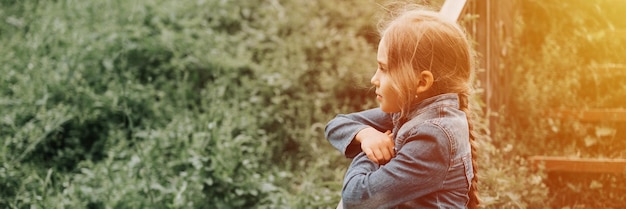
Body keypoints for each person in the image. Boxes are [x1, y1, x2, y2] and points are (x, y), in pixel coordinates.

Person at [325, 6, 479, 209]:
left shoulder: (434, 136)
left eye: (384, 69)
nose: (374, 79)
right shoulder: (414, 110)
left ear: (422, 82)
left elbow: (357, 196)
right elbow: (336, 124)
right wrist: (367, 135)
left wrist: (371, 153)